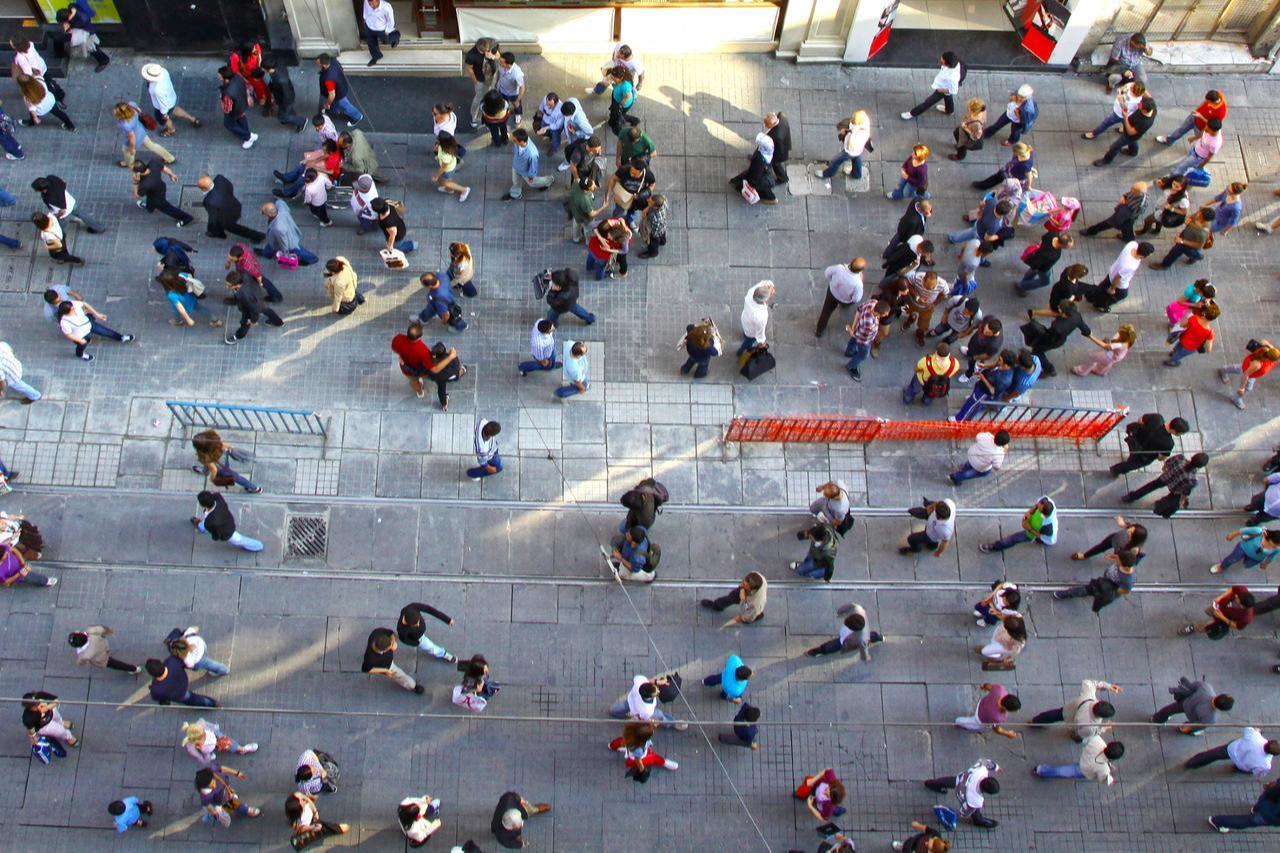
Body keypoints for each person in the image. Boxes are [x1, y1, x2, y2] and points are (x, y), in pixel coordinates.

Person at [1121, 451, 1209, 516]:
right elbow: (1185, 492)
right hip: (1175, 489)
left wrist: (1166, 470)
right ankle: (1159, 505)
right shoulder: (1192, 480)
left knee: (1149, 487)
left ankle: (1131, 497)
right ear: (1200, 466)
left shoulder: (1180, 458)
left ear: (1193, 457)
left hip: (1165, 478)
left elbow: (1167, 463)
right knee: (1172, 499)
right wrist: (1183, 500)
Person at [1030, 679, 1121, 740]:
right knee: (1078, 738)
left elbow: (1089, 682)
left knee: (1053, 715)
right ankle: (1072, 735)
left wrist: (1107, 686)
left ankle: (1036, 721)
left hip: (1068, 710)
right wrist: (1104, 728)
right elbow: (1086, 733)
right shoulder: (1090, 726)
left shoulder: (1089, 696)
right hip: (1073, 724)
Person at [1053, 549, 1139, 613]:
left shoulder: (1128, 579)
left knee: (1086, 590)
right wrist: (1114, 556)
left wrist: (1110, 590)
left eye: (1118, 560)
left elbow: (1125, 591)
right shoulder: (1125, 561)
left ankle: (1068, 594)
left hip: (1106, 588)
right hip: (1105, 580)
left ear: (1125, 565)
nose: (1116, 560)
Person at [924, 758, 1000, 828]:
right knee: (976, 813)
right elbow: (967, 811)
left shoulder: (981, 770)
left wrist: (996, 767)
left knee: (946, 782)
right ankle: (978, 821)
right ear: (986, 791)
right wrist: (962, 814)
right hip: (962, 794)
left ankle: (931, 783)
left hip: (960, 780)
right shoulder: (977, 800)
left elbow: (985, 762)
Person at [1109, 412, 1189, 477]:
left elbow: (1140, 420)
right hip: (1143, 456)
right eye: (1181, 433)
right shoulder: (1169, 443)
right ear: (1174, 431)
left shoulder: (1157, 418)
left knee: (1132, 457)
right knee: (1131, 464)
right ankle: (1116, 469)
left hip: (1134, 440)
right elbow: (1161, 458)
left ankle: (1127, 462)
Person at [56, 297, 134, 361]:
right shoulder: (64, 322)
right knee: (81, 346)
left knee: (106, 332)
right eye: (72, 308)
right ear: (67, 311)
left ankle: (121, 338)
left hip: (89, 325)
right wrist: (80, 340)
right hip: (80, 335)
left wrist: (97, 314)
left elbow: (85, 304)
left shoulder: (73, 304)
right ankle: (80, 355)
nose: (74, 308)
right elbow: (68, 334)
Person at [1152, 676, 1234, 734]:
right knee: (1192, 727)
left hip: (1186, 703)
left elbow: (1191, 686)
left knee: (1169, 710)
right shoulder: (1211, 718)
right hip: (1193, 717)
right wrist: (1188, 728)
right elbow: (1197, 725)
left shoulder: (1206, 687)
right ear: (1222, 709)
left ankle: (1157, 719)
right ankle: (1182, 728)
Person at [805, 602, 883, 662]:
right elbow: (852, 605)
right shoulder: (857, 610)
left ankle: (820, 651)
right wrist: (841, 611)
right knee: (870, 636)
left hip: (845, 641)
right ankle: (878, 637)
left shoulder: (860, 638)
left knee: (830, 646)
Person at [1187, 727, 1280, 777]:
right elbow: (1258, 773)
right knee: (1241, 770)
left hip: (1232, 749)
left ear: (1269, 741)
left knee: (1212, 755)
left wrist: (1257, 730)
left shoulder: (1256, 737)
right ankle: (1235, 769)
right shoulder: (1266, 765)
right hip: (1242, 766)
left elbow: (1247, 729)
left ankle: (1193, 763)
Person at [223, 271, 284, 346]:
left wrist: (253, 321)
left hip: (251, 306)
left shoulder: (245, 295)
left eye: (229, 285)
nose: (226, 287)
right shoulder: (245, 276)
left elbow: (255, 310)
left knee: (245, 323)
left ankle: (239, 335)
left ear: (237, 284)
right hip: (258, 296)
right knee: (266, 309)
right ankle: (278, 322)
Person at [198, 174, 265, 242]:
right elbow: (230, 186)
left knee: (238, 229)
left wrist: (211, 229)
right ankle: (219, 233)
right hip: (235, 206)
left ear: (204, 188)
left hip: (226, 219)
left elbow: (213, 218)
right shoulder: (219, 179)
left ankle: (258, 236)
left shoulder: (210, 201)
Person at [191, 490, 263, 553]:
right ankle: (200, 526)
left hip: (227, 531)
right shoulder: (218, 497)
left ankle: (257, 546)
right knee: (204, 525)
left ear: (204, 505)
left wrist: (216, 537)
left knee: (239, 540)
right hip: (223, 520)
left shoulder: (211, 522)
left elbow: (214, 531)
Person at [32, 173, 105, 235]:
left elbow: (62, 211)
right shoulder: (51, 178)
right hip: (70, 201)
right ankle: (99, 228)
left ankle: (59, 234)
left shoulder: (50, 198)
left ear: (42, 190)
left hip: (64, 210)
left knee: (59, 223)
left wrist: (56, 217)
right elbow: (63, 182)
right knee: (83, 215)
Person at [979, 497, 1056, 554]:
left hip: (1034, 533)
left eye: (1039, 508)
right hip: (1030, 526)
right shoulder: (1045, 501)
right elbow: (1036, 506)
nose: (1038, 506)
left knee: (1013, 539)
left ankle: (995, 547)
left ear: (1044, 514)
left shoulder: (1048, 526)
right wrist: (1029, 513)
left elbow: (1044, 537)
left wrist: (1029, 529)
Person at [1033, 736, 1124, 785]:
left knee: (1065, 770)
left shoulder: (1098, 740)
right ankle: (1041, 771)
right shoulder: (1104, 769)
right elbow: (1103, 778)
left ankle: (1040, 769)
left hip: (1084, 759)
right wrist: (1111, 781)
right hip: (1084, 771)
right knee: (1063, 771)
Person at [141, 62, 200, 135]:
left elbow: (163, 104)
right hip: (171, 97)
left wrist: (164, 114)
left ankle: (171, 130)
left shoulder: (156, 90)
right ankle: (193, 119)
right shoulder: (164, 72)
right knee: (174, 109)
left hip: (163, 106)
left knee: (165, 120)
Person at [815, 109, 870, 187]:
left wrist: (851, 134)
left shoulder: (859, 135)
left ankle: (827, 174)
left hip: (851, 151)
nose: (851, 121)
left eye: (853, 121)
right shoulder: (864, 120)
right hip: (858, 150)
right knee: (857, 158)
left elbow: (850, 146)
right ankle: (857, 174)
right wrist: (847, 130)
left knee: (835, 161)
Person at [901, 52, 963, 120]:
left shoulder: (952, 77)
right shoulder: (955, 63)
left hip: (942, 88)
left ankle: (912, 114)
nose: (940, 59)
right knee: (947, 96)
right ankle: (949, 110)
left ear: (947, 64)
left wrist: (941, 90)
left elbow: (954, 90)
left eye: (942, 59)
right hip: (945, 86)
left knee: (928, 102)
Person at [1220, 340, 1280, 410]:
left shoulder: (1269, 350)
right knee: (1248, 388)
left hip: (1249, 368)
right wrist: (1242, 388)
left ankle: (1223, 370)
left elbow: (1264, 341)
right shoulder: (1257, 364)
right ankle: (1236, 399)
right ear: (1269, 359)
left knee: (1237, 368)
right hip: (1251, 373)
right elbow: (1246, 374)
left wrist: (1268, 345)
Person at [132, 157, 194, 226]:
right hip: (160, 188)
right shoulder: (153, 163)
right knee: (150, 199)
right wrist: (172, 175)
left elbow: (137, 195)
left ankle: (186, 218)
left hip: (157, 197)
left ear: (138, 173)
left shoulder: (145, 184)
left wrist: (135, 182)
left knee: (167, 208)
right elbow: (164, 168)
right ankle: (149, 207)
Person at [361, 627, 424, 694]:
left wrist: (393, 641)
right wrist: (386, 671)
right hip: (386, 666)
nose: (392, 647)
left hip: (386, 660)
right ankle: (412, 686)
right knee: (399, 675)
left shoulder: (377, 632)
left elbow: (390, 632)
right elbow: (366, 669)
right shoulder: (370, 658)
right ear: (384, 650)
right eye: (389, 648)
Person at [113, 101, 174, 169]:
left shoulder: (125, 124)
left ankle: (129, 163)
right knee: (152, 145)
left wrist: (132, 149)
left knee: (126, 151)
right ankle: (169, 158)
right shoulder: (131, 104)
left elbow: (132, 138)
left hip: (135, 139)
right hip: (141, 132)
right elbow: (139, 111)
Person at [1180, 584, 1255, 638]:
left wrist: (1221, 617)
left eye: (1238, 598)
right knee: (1208, 611)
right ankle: (1208, 618)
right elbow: (1232, 589)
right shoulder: (1242, 590)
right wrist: (1220, 598)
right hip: (1218, 606)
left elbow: (1236, 626)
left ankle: (1193, 628)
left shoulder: (1247, 617)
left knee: (1207, 626)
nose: (1236, 596)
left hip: (1221, 619)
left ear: (1242, 605)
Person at [1082, 182, 1148, 242]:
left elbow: (1134, 214)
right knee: (1126, 229)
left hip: (1125, 216)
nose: (1131, 190)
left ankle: (1091, 231)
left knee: (1107, 223)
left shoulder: (1141, 204)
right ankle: (1128, 238)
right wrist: (1123, 197)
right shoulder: (1135, 192)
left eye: (1133, 190)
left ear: (1139, 193)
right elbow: (1127, 194)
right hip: (1123, 212)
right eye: (1132, 188)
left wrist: (1122, 216)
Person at [182, 718, 257, 771]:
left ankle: (242, 749)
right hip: (208, 749)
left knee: (228, 743)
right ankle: (211, 755)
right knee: (208, 753)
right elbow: (198, 756)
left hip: (216, 737)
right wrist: (205, 760)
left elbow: (207, 724)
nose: (205, 734)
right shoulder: (191, 746)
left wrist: (214, 727)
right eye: (203, 736)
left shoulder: (200, 724)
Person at [1159, 89, 1228, 146]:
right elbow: (1204, 102)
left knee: (1199, 142)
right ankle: (1169, 140)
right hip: (1194, 117)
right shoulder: (1217, 95)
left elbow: (1212, 124)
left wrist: (1200, 116)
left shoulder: (1221, 112)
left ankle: (1196, 153)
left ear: (1213, 102)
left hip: (1201, 127)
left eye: (1208, 101)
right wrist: (1197, 110)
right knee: (1181, 129)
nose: (1206, 102)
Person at [260, 200, 319, 265]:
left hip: (288, 241)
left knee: (298, 250)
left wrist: (285, 254)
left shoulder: (278, 228)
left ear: (270, 214)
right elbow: (280, 202)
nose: (264, 214)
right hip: (287, 234)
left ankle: (312, 259)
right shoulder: (282, 209)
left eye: (265, 213)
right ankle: (266, 253)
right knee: (271, 246)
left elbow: (283, 243)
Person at [1209, 780, 1280, 833]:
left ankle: (1256, 809)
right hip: (1271, 814)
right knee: (1248, 821)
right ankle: (1218, 821)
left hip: (1270, 796)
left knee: (1262, 804)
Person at [844, 298, 889, 382]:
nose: (886, 315)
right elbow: (862, 337)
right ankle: (851, 366)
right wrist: (853, 333)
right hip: (863, 339)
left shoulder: (873, 302)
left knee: (853, 341)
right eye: (885, 314)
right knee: (863, 355)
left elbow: (859, 309)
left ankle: (849, 352)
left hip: (858, 328)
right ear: (878, 313)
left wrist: (853, 327)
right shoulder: (869, 324)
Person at [701, 571, 767, 627]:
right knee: (731, 597)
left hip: (749, 604)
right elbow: (743, 584)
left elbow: (746, 610)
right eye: (744, 583)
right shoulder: (755, 575)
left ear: (753, 589)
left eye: (746, 586)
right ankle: (717, 605)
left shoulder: (755, 603)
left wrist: (743, 599)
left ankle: (757, 616)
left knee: (749, 615)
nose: (742, 585)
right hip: (745, 594)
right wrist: (742, 588)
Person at [902, 342, 960, 406]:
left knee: (913, 389)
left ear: (936, 352)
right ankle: (926, 402)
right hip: (937, 384)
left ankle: (907, 398)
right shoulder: (955, 364)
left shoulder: (926, 361)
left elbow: (916, 369)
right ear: (949, 354)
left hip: (921, 381)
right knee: (930, 394)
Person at [954, 682, 1021, 738]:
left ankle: (959, 721)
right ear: (1005, 708)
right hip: (979, 718)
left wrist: (983, 686)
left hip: (982, 703)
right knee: (970, 723)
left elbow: (988, 686)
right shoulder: (998, 717)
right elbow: (996, 729)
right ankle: (958, 722)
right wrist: (1008, 734)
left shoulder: (1000, 689)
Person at [195, 767, 260, 824]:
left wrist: (236, 773)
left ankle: (235, 803)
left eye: (213, 782)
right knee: (236, 805)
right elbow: (208, 805)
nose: (214, 785)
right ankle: (246, 810)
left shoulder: (212, 772)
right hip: (222, 800)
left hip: (226, 791)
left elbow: (222, 769)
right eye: (211, 786)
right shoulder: (206, 796)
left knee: (233, 799)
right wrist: (214, 812)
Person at [146, 656, 216, 707]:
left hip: (179, 694)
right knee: (195, 699)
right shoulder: (172, 661)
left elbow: (155, 697)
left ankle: (210, 704)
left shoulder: (156, 689)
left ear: (153, 674)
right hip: (184, 681)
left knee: (191, 700)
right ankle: (212, 703)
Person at [1163, 301, 1218, 367]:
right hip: (1191, 347)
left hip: (1183, 338)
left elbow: (1182, 325)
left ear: (1204, 313)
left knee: (1178, 347)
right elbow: (1208, 349)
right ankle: (1172, 361)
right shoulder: (1209, 333)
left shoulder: (1194, 318)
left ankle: (1173, 352)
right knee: (1180, 355)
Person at [68, 625, 141, 674]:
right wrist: (109, 632)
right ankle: (134, 669)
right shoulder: (91, 631)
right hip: (104, 646)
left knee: (116, 664)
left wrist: (79, 663)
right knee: (116, 662)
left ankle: (133, 669)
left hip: (102, 659)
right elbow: (103, 629)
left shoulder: (85, 655)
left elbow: (81, 661)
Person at [730, 132, 778, 205]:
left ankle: (771, 198)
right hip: (767, 176)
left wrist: (750, 183)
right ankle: (771, 198)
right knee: (764, 187)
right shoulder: (768, 151)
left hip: (763, 179)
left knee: (761, 187)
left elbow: (754, 176)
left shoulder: (759, 159)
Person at [1072, 323, 1137, 377]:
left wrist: (1090, 336)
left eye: (1120, 332)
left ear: (1123, 336)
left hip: (1111, 355)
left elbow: (1104, 345)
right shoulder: (1129, 341)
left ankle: (1081, 371)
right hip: (1117, 356)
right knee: (1108, 363)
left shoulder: (1120, 344)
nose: (1118, 332)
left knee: (1093, 357)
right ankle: (1101, 371)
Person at [260, 58, 305, 132]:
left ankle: (301, 121)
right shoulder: (278, 67)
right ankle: (291, 114)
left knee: (283, 116)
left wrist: (283, 104)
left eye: (263, 69)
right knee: (287, 111)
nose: (262, 70)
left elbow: (286, 95)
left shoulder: (280, 79)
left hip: (286, 99)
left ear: (269, 69)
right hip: (284, 96)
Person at [315, 53, 363, 125]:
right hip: (341, 85)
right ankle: (333, 110)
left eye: (318, 63)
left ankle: (357, 116)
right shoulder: (333, 61)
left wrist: (327, 104)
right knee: (335, 103)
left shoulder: (329, 79)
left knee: (345, 105)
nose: (317, 64)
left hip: (338, 94)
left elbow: (332, 95)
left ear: (324, 65)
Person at [216, 66, 257, 149]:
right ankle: (247, 136)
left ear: (226, 79)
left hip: (235, 110)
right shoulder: (238, 76)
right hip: (242, 103)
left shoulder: (228, 94)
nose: (218, 76)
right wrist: (248, 96)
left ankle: (248, 136)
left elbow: (227, 109)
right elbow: (246, 85)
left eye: (219, 75)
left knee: (228, 124)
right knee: (242, 118)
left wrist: (221, 99)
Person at [795, 767, 846, 832]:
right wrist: (813, 780)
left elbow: (823, 817)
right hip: (815, 788)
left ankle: (838, 811)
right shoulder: (832, 781)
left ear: (831, 799)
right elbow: (827, 770)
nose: (826, 790)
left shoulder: (830, 806)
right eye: (828, 788)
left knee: (833, 810)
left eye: (828, 794)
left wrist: (810, 806)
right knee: (806, 785)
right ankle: (801, 795)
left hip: (820, 804)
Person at [464, 37, 500, 127]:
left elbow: (498, 55)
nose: (486, 52)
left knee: (489, 95)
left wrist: (492, 56)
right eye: (483, 52)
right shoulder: (471, 55)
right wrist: (475, 81)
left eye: (488, 50)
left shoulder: (492, 43)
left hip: (491, 75)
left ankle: (487, 113)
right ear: (478, 48)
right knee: (478, 97)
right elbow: (469, 68)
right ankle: (474, 116)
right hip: (480, 78)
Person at [432, 131, 471, 203]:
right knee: (447, 181)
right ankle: (449, 189)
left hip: (448, 170)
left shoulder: (445, 155)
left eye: (439, 139)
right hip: (452, 165)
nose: (437, 140)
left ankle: (464, 190)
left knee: (445, 182)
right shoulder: (450, 145)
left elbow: (443, 168)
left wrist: (436, 176)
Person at [739, 279, 774, 356]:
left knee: (746, 334)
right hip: (751, 331)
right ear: (764, 300)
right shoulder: (761, 315)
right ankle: (740, 353)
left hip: (745, 319)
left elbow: (761, 283)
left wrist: (769, 286)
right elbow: (760, 332)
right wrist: (762, 342)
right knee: (749, 341)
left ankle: (744, 337)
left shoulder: (750, 293)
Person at [362, 0, 399, 66]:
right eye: (370, 4)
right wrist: (365, 19)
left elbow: (391, 21)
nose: (371, 6)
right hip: (369, 26)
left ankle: (396, 35)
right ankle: (376, 56)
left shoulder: (386, 7)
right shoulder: (366, 1)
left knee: (385, 41)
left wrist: (387, 31)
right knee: (371, 43)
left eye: (373, 4)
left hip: (381, 28)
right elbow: (365, 10)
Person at [495, 51, 526, 125]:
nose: (499, 63)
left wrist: (517, 99)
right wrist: (497, 82)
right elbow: (499, 73)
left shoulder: (517, 73)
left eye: (502, 62)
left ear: (508, 65)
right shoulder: (501, 65)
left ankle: (518, 114)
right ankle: (505, 112)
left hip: (512, 93)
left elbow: (522, 87)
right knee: (503, 103)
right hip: (501, 90)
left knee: (516, 105)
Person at [605, 66, 636, 136]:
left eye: (614, 78)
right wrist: (608, 80)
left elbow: (628, 97)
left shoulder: (626, 86)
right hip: (616, 98)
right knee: (614, 112)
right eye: (612, 76)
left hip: (622, 103)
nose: (612, 78)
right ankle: (612, 119)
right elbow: (606, 76)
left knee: (619, 115)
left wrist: (620, 105)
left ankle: (632, 121)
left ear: (621, 78)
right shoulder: (615, 78)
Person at [637, 193, 667, 258]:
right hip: (663, 226)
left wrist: (650, 235)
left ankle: (653, 252)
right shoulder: (662, 200)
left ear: (655, 207)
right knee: (662, 234)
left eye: (650, 202)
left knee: (653, 241)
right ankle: (662, 241)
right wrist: (647, 208)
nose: (648, 201)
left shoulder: (656, 218)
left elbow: (655, 231)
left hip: (656, 229)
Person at [765, 111, 791, 184]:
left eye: (767, 125)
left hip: (779, 152)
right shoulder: (782, 116)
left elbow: (779, 149)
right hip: (783, 143)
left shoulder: (777, 135)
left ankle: (783, 178)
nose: (766, 126)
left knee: (776, 164)